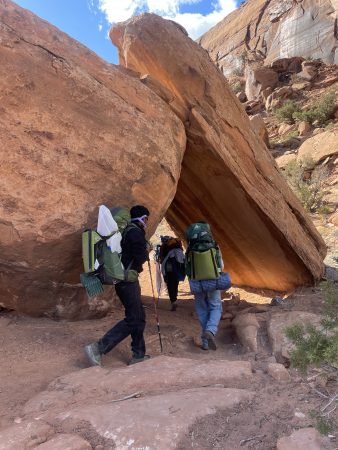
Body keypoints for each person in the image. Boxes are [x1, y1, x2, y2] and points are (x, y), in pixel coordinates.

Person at [84, 204, 150, 366]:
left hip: (124, 280)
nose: (147, 222)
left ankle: (138, 354)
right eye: (146, 218)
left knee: (138, 317)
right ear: (141, 218)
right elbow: (141, 257)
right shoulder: (135, 232)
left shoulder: (127, 231)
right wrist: (146, 249)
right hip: (127, 281)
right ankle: (98, 348)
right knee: (134, 318)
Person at [185, 222, 224, 351]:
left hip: (197, 282)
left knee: (202, 309)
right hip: (212, 280)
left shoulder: (190, 248)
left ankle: (205, 342)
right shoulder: (214, 245)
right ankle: (211, 331)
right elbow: (221, 266)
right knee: (215, 306)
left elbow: (188, 269)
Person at [158, 236, 185, 311]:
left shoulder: (163, 247)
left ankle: (173, 301)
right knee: (175, 283)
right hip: (176, 267)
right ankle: (174, 299)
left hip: (168, 268)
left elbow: (161, 258)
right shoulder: (177, 246)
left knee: (169, 285)